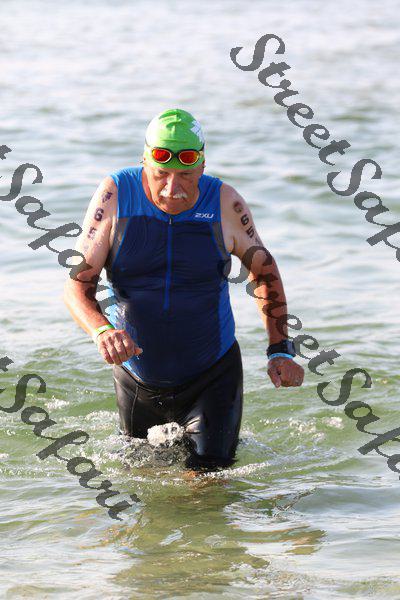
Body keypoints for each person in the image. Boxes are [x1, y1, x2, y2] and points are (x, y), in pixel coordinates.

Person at [64, 108, 304, 471]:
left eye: (186, 176)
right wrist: (102, 331)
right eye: (161, 175)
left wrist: (280, 350)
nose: (172, 189)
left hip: (212, 374)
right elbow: (77, 285)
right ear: (145, 163)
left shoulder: (224, 203)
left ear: (202, 167)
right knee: (142, 487)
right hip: (136, 379)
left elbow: (264, 273)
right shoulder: (115, 195)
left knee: (207, 486)